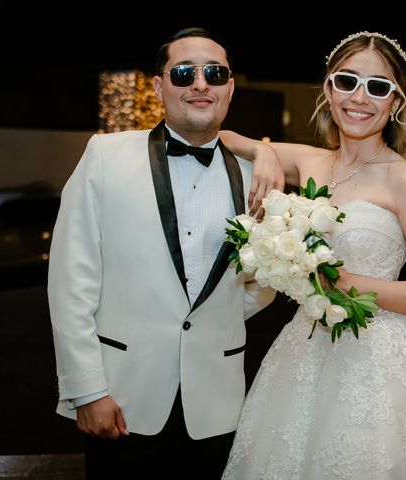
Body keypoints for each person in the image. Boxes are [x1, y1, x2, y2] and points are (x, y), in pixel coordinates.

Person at [219, 32, 406, 479]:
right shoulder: (312, 162)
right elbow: (224, 137)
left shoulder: (405, 181)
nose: (359, 97)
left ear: (395, 103)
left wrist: (347, 283)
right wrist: (264, 150)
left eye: (378, 86)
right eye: (347, 80)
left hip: (381, 366)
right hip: (305, 352)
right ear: (328, 91)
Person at [48, 27, 283, 479]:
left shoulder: (258, 175)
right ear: (159, 86)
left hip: (217, 405)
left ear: (230, 88)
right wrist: (86, 390)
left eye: (215, 73)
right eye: (183, 73)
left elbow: (262, 284)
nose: (200, 83)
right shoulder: (104, 156)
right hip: (120, 401)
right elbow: (70, 282)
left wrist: (216, 318)